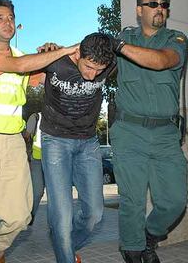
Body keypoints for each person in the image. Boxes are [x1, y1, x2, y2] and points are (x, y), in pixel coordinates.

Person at [0, 0, 78, 263]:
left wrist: (50, 55)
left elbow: (46, 75)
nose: (7, 22)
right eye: (0, 18)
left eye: (10, 17)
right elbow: (20, 68)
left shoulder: (23, 57)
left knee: (20, 216)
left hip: (13, 144)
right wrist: (63, 51)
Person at [108, 0, 188, 263]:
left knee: (175, 200)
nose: (159, 9)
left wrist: (119, 47)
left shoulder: (176, 39)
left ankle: (149, 234)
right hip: (129, 132)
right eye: (152, 4)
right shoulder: (125, 37)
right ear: (139, 9)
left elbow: (161, 61)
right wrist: (61, 51)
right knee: (132, 200)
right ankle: (132, 250)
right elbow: (92, 60)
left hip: (166, 133)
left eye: (163, 4)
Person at [38, 33, 116, 263]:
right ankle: (65, 254)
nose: (92, 76)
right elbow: (25, 64)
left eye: (99, 71)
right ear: (78, 53)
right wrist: (50, 48)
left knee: (94, 214)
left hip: (88, 142)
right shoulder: (56, 62)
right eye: (89, 67)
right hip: (55, 141)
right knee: (62, 216)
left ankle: (65, 246)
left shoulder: (109, 64)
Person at [23, 112, 45, 225]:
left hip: (54, 162)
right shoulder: (36, 117)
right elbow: (26, 136)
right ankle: (30, 214)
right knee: (37, 191)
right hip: (36, 160)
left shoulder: (59, 117)